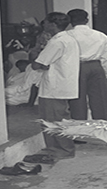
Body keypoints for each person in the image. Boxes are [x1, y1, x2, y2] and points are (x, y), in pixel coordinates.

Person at [26, 12, 80, 163]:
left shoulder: (57, 42)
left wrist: (34, 55)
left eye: (46, 22)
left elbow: (39, 63)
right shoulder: (68, 39)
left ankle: (64, 149)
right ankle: (54, 148)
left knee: (54, 120)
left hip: (55, 87)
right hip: (59, 85)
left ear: (53, 24)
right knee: (52, 119)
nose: (44, 25)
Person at [67, 9, 107, 120]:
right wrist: (106, 73)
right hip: (96, 66)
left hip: (76, 67)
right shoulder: (101, 36)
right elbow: (106, 57)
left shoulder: (67, 36)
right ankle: (103, 128)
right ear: (87, 20)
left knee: (77, 101)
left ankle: (80, 130)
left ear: (70, 21)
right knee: (100, 100)